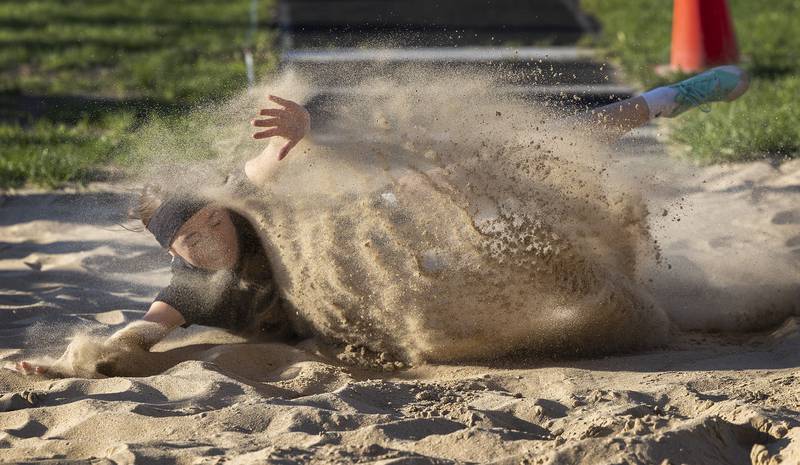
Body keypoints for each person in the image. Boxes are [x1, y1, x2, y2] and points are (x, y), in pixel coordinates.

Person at [12, 65, 750, 376]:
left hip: (398, 220)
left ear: (216, 208)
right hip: (388, 298)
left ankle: (668, 97)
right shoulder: (197, 285)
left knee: (538, 146)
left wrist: (298, 125)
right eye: (189, 242)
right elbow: (138, 334)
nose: (206, 242)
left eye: (206, 223)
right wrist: (81, 360)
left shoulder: (245, 195)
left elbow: (269, 162)